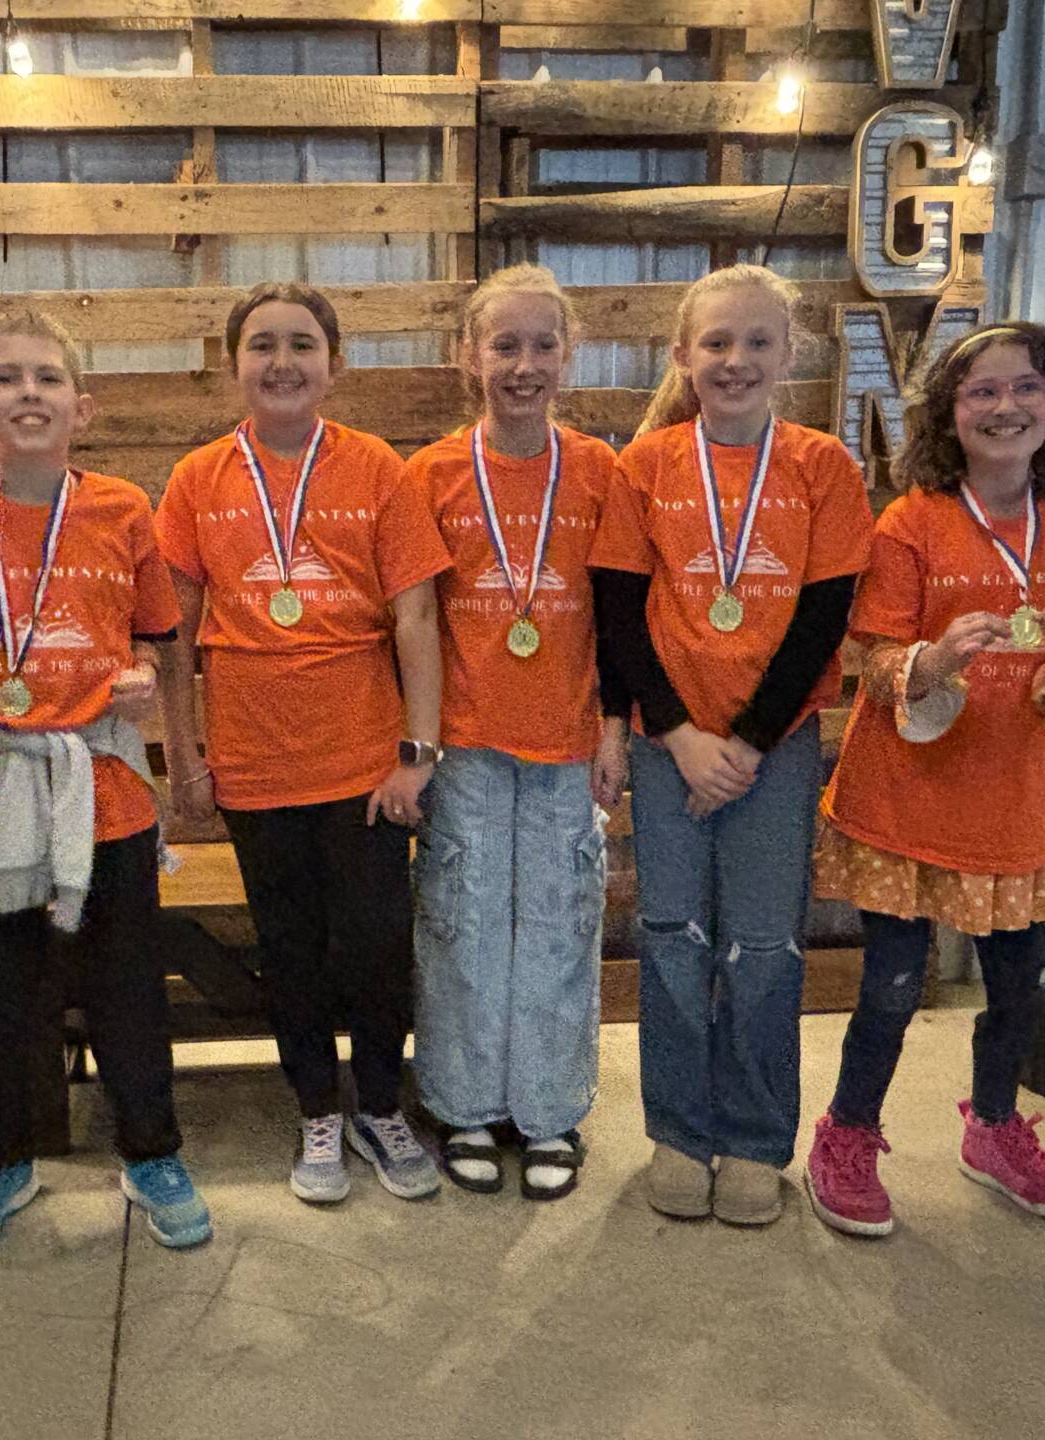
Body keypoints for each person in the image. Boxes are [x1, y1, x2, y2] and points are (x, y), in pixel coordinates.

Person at [0, 307, 212, 1258]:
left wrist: (148, 679)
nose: (28, 393)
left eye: (46, 378)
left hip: (101, 784)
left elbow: (156, 632)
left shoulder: (121, 508)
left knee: (126, 990)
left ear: (83, 403)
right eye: (6, 378)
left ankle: (151, 1153)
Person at [805, 321, 1045, 1236]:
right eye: (982, 391)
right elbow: (873, 661)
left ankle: (994, 1130)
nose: (1005, 406)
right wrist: (937, 660)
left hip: (1013, 809)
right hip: (905, 804)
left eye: (1025, 387)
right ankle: (849, 1134)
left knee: (1022, 986)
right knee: (893, 988)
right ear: (950, 411)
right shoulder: (910, 522)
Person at [589, 263, 874, 1226]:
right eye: (715, 343)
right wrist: (675, 732)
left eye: (757, 342)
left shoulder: (824, 468)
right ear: (682, 356)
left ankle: (753, 1138)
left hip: (774, 746)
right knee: (671, 938)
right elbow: (621, 615)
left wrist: (745, 745)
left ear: (789, 354)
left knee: (763, 946)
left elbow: (822, 619)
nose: (736, 360)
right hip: (671, 744)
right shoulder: (645, 466)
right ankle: (679, 1130)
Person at [155, 282, 450, 1205]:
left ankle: (378, 1105)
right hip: (252, 763)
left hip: (363, 764)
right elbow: (172, 634)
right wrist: (184, 755)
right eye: (262, 345)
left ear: (335, 363)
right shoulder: (198, 479)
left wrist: (418, 755)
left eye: (302, 345)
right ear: (232, 362)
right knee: (289, 946)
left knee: (372, 942)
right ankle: (316, 1107)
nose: (282, 362)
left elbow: (416, 621)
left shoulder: (378, 470)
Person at [404, 264, 628, 1200]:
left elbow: (619, 612)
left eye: (543, 345)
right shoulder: (432, 473)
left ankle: (548, 1112)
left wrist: (616, 727)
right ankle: (461, 1105)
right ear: (469, 356)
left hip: (569, 742)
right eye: (504, 345)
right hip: (466, 742)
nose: (523, 364)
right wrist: (414, 750)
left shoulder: (602, 470)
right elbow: (412, 621)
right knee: (460, 927)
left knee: (557, 929)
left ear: (569, 358)